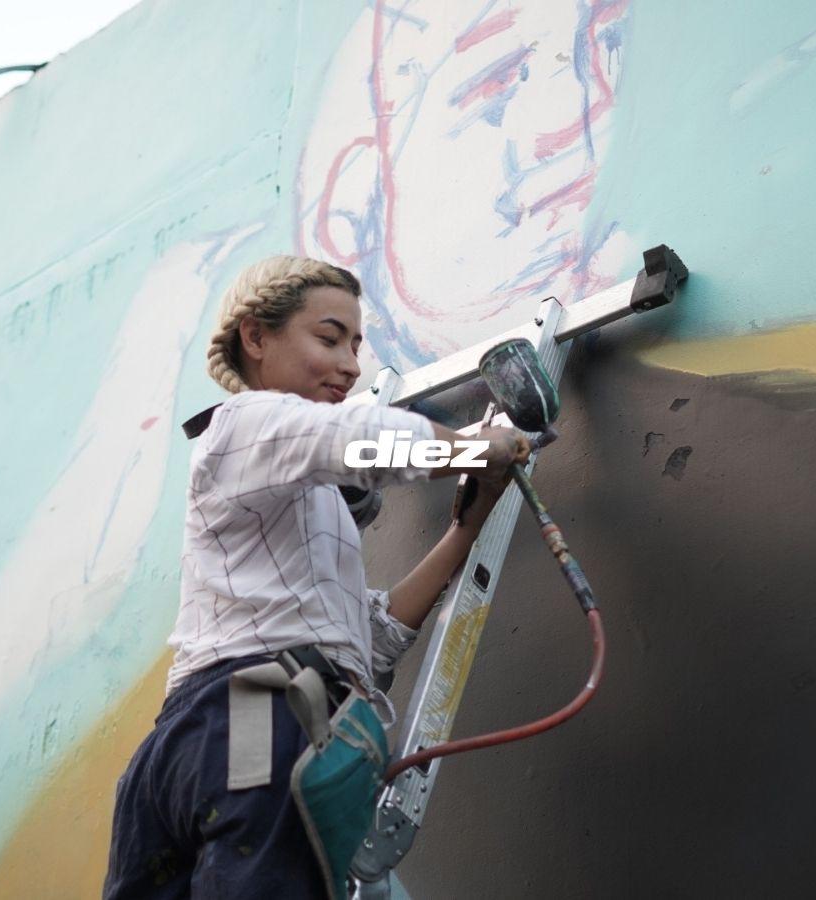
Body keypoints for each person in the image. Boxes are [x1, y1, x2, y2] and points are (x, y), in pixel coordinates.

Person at [103, 255, 529, 898]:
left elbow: (373, 637)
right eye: (329, 338)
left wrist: (466, 527)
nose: (352, 365)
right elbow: (363, 440)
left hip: (192, 745)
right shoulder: (245, 424)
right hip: (250, 715)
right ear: (256, 338)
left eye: (355, 346)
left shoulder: (295, 498)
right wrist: (478, 449)